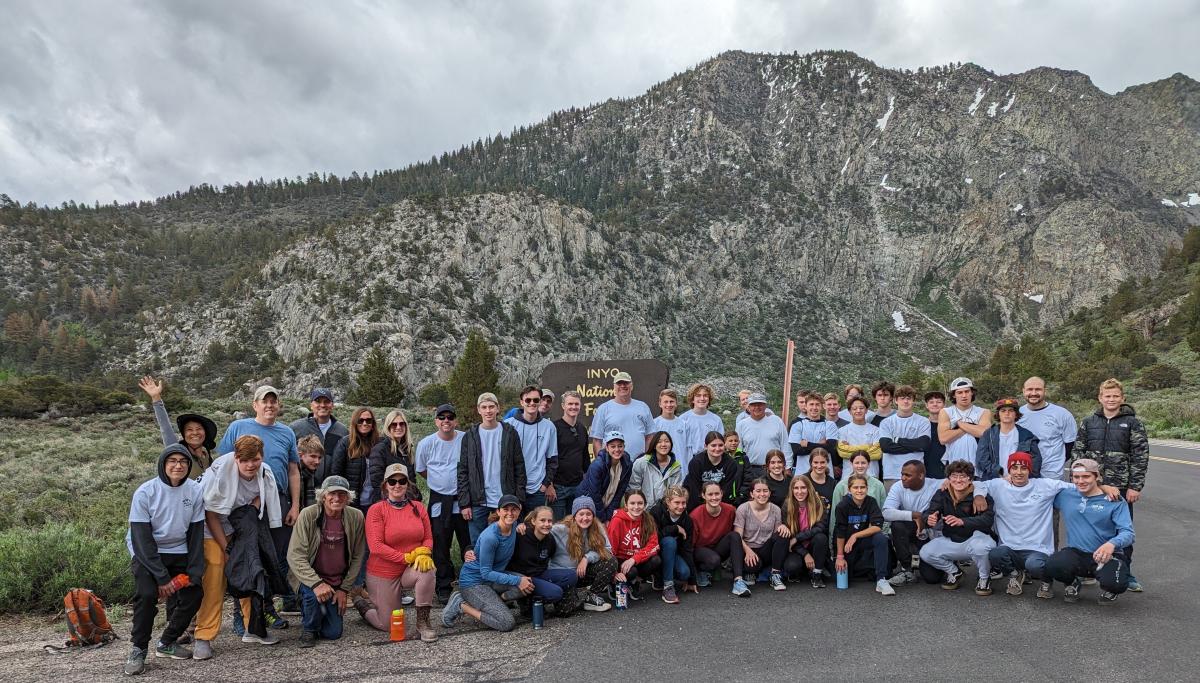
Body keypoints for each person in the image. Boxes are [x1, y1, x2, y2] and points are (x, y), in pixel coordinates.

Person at [216, 386, 297, 629]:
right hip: (243, 505)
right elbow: (224, 464)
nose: (270, 405)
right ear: (255, 405)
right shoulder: (237, 428)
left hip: (276, 501)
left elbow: (293, 471)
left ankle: (268, 610)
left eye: (274, 401)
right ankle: (243, 617)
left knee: (273, 557)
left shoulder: (287, 432)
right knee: (245, 558)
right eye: (265, 401)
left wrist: (295, 505)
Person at [123, 444, 205, 675]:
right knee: (147, 596)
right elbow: (141, 539)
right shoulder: (146, 492)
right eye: (172, 461)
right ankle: (138, 649)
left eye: (183, 461)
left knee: (195, 593)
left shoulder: (194, 490)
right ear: (163, 464)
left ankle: (167, 642)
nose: (178, 465)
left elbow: (196, 533)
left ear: (189, 465)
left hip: (179, 550)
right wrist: (161, 577)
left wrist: (195, 571)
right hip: (148, 552)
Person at [980, 451, 1105, 599]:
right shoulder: (997, 485)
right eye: (1014, 468)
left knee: (1035, 565)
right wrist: (978, 496)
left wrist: (1103, 488)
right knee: (995, 554)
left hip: (1037, 548)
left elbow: (1078, 486)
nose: (1019, 472)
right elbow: (973, 485)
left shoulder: (1045, 485)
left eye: (1024, 468)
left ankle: (1046, 581)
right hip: (1010, 547)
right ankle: (1016, 574)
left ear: (1030, 470)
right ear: (1009, 470)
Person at [204, 435, 285, 649]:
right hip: (212, 529)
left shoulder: (265, 472)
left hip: (240, 525)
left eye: (255, 459)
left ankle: (254, 629)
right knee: (215, 582)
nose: (251, 465)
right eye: (244, 460)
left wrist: (250, 512)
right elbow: (210, 514)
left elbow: (261, 499)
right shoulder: (220, 471)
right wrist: (227, 548)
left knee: (252, 573)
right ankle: (205, 636)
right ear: (236, 458)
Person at [1072, 378, 1148, 591]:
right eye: (1108, 396)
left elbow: (1140, 456)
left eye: (1116, 396)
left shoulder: (1133, 423)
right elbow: (1078, 452)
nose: (1111, 399)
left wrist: (1135, 486)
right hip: (1091, 486)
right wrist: (1081, 480)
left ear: (1122, 398)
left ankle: (1125, 571)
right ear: (1100, 398)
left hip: (1122, 487)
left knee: (1122, 530)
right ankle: (1084, 570)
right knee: (1087, 528)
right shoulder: (1089, 422)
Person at [287, 475, 367, 646]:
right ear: (323, 495)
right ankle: (309, 628)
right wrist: (316, 584)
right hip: (310, 578)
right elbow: (295, 555)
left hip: (336, 581)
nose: (336, 498)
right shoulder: (308, 515)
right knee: (312, 599)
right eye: (332, 493)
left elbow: (358, 557)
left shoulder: (356, 517)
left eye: (342, 494)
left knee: (333, 633)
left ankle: (318, 612)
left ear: (348, 497)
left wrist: (344, 589)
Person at [362, 463, 437, 640]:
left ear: (407, 484)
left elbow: (428, 537)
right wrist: (407, 557)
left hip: (408, 570)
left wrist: (425, 552)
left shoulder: (418, 507)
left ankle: (423, 623)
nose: (397, 485)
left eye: (402, 481)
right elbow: (376, 546)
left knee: (427, 570)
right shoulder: (376, 510)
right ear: (385, 485)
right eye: (392, 481)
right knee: (388, 625)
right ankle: (362, 606)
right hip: (384, 572)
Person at [1044, 458, 1135, 605]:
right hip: (1076, 552)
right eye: (1076, 477)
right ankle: (1073, 583)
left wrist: (1111, 544)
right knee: (1052, 565)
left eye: (1086, 476)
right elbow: (1036, 490)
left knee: (1116, 584)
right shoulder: (1066, 495)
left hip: (1106, 555)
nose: (1081, 481)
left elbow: (1128, 533)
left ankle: (1110, 589)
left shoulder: (1114, 500)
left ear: (1097, 476)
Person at [883, 460, 981, 587]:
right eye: (902, 474)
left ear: (921, 475)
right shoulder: (898, 487)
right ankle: (906, 570)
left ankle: (950, 564)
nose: (903, 478)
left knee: (932, 578)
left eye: (907, 475)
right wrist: (916, 515)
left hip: (933, 534)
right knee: (897, 525)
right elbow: (886, 512)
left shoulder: (937, 484)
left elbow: (976, 483)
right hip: (912, 529)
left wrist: (979, 496)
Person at [442, 495, 531, 632]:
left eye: (514, 509)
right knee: (506, 623)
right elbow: (486, 572)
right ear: (498, 511)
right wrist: (517, 579)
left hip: (493, 577)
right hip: (474, 583)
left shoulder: (514, 526)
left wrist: (522, 525)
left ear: (519, 511)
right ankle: (461, 605)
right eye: (505, 509)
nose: (510, 513)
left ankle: (492, 603)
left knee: (528, 585)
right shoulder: (491, 537)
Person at [415, 404, 468, 603]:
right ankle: (444, 585)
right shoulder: (427, 443)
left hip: (463, 499)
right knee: (440, 543)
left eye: (450, 417)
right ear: (436, 420)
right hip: (439, 499)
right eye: (442, 417)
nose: (446, 421)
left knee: (467, 541)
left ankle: (470, 582)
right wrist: (440, 481)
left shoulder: (465, 439)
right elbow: (421, 470)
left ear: (456, 420)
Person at [919, 460, 996, 595]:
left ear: (970, 479)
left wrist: (962, 521)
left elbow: (987, 519)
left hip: (976, 538)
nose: (958, 480)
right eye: (954, 476)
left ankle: (984, 578)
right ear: (948, 478)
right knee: (926, 552)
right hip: (952, 538)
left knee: (981, 548)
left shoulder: (981, 496)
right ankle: (955, 572)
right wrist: (929, 518)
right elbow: (929, 511)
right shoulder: (942, 493)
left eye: (963, 476)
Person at [458, 392, 526, 546]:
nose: (488, 411)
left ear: (498, 408)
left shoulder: (509, 433)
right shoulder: (470, 436)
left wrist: (519, 499)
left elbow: (519, 468)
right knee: (479, 543)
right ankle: (480, 570)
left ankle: (504, 570)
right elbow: (462, 471)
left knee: (506, 542)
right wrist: (464, 503)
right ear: (478, 410)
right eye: (484, 407)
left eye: (491, 407)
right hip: (478, 500)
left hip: (505, 498)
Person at [138, 375, 217, 478]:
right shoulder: (178, 451)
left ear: (205, 432)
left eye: (199, 429)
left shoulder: (206, 453)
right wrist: (156, 398)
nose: (195, 433)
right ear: (184, 434)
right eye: (189, 430)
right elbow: (165, 428)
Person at [549, 497, 618, 613]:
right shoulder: (560, 529)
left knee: (611, 561)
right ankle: (570, 594)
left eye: (588, 514)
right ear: (574, 516)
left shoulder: (597, 528)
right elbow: (541, 529)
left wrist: (587, 558)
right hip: (565, 575)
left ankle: (591, 597)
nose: (585, 518)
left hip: (582, 572)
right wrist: (523, 527)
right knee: (564, 611)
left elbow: (608, 550)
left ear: (593, 515)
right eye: (581, 514)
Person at [833, 473, 895, 595]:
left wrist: (855, 535)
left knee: (881, 538)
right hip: (846, 544)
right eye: (855, 487)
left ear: (867, 488)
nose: (859, 490)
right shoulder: (842, 506)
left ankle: (881, 580)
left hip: (861, 540)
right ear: (849, 489)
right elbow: (840, 532)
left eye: (862, 487)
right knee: (843, 579)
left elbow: (877, 526)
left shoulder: (871, 501)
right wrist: (839, 557)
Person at [508, 506, 578, 608]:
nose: (546, 524)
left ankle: (538, 595)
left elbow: (549, 557)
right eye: (542, 520)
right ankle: (526, 603)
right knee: (556, 593)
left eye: (549, 521)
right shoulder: (521, 535)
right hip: (523, 578)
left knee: (572, 575)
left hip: (540, 574)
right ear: (533, 521)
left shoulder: (550, 540)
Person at [505, 385, 559, 513]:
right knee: (514, 528)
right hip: (514, 488)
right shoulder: (508, 425)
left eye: (536, 400)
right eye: (528, 400)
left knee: (535, 530)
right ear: (521, 402)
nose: (532, 403)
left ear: (540, 401)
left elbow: (552, 459)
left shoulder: (549, 427)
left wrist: (545, 484)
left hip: (537, 489)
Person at [730, 479, 788, 596]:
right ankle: (752, 573)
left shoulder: (775, 509)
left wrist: (783, 527)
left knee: (783, 534)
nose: (762, 494)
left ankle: (775, 575)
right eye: (758, 491)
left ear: (769, 493)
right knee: (752, 567)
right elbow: (737, 536)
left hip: (766, 549)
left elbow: (777, 536)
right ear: (752, 494)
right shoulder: (743, 508)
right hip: (749, 550)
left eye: (765, 491)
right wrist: (748, 551)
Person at [1018, 376, 1077, 481]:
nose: (1034, 393)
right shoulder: (1017, 415)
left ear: (1045, 391)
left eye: (1038, 389)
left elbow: (1070, 445)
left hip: (1052, 476)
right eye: (1030, 389)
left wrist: (1056, 464)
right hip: (1024, 474)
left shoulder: (1062, 414)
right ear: (1023, 391)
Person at [607, 490, 661, 601]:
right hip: (620, 560)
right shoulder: (617, 521)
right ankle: (613, 584)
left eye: (640, 503)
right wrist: (614, 573)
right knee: (631, 571)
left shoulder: (648, 519)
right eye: (632, 503)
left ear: (645, 504)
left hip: (635, 559)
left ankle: (635, 581)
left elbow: (654, 545)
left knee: (656, 560)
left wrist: (634, 559)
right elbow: (609, 551)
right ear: (626, 505)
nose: (636, 507)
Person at [648, 486, 697, 603]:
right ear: (668, 502)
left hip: (673, 554)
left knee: (685, 573)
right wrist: (675, 528)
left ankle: (661, 577)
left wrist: (692, 580)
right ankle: (668, 586)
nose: (681, 506)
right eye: (677, 502)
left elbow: (687, 549)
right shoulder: (656, 512)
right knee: (669, 541)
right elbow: (654, 538)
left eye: (683, 503)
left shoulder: (687, 520)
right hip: (655, 552)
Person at [878, 385, 932, 489]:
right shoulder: (886, 423)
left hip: (916, 473)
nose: (906, 401)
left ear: (913, 401)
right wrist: (914, 446)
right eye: (902, 398)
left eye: (909, 398)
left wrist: (897, 440)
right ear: (895, 401)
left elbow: (923, 444)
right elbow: (886, 447)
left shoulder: (923, 421)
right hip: (892, 474)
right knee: (891, 505)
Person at [590, 371, 655, 458]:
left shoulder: (643, 407)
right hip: (613, 465)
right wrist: (601, 463)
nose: (623, 386)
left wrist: (647, 458)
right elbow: (597, 440)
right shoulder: (603, 409)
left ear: (631, 386)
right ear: (614, 386)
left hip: (639, 465)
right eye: (619, 383)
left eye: (626, 383)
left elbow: (650, 436)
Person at [975, 397, 1042, 481]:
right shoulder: (989, 434)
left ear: (1016, 414)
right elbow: (981, 460)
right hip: (994, 481)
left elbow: (1035, 462)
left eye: (1011, 410)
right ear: (998, 414)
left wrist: (1019, 477)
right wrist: (1000, 473)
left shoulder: (1027, 435)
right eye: (1003, 411)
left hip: (1020, 482)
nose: (1007, 413)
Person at [781, 475, 830, 588]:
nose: (799, 491)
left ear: (809, 488)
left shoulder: (818, 502)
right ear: (791, 490)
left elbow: (820, 527)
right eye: (796, 488)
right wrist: (805, 554)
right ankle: (804, 569)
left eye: (803, 488)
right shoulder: (787, 505)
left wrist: (797, 538)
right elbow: (789, 534)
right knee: (791, 567)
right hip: (796, 548)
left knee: (821, 537)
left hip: (813, 544)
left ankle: (817, 573)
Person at [330, 407, 382, 511]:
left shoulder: (380, 443)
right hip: (352, 504)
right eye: (360, 420)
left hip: (376, 502)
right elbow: (336, 474)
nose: (365, 423)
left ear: (373, 424)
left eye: (368, 420)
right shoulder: (345, 443)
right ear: (355, 422)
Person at [689, 481, 738, 588]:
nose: (714, 497)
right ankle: (701, 570)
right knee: (713, 560)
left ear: (722, 494)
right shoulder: (695, 515)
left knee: (735, 536)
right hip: (700, 549)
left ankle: (738, 579)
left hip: (718, 547)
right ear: (703, 495)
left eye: (717, 494)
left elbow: (736, 533)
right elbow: (690, 545)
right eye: (710, 494)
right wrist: (690, 578)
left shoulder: (730, 510)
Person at [578, 431, 634, 522]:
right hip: (587, 504)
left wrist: (609, 517)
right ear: (607, 448)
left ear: (624, 447)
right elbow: (594, 495)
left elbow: (619, 493)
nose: (617, 449)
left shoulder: (627, 465)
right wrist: (603, 519)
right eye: (613, 446)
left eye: (620, 446)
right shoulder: (597, 466)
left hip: (607, 505)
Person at [551, 390, 591, 520]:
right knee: (558, 526)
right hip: (558, 487)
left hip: (578, 486)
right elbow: (548, 458)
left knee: (575, 525)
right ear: (563, 406)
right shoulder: (554, 428)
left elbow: (585, 457)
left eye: (576, 404)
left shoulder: (582, 429)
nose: (573, 407)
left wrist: (587, 481)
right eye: (570, 404)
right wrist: (549, 484)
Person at [938, 377, 991, 469]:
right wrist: (972, 427)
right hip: (953, 462)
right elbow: (943, 438)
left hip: (978, 462)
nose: (964, 395)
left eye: (967, 391)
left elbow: (984, 433)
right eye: (959, 392)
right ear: (954, 395)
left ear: (972, 393)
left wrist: (960, 424)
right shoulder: (946, 412)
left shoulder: (984, 412)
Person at [289, 388, 348, 468]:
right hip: (303, 479)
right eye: (318, 401)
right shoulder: (295, 428)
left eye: (326, 401)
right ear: (311, 405)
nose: (323, 405)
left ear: (332, 405)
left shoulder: (343, 431)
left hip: (333, 479)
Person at [683, 431, 744, 510]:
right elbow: (694, 489)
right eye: (713, 445)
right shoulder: (696, 462)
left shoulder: (730, 463)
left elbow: (726, 490)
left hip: (720, 501)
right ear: (706, 446)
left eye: (720, 445)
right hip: (697, 502)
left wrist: (715, 504)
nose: (717, 449)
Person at [738, 393, 789, 480]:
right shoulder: (741, 425)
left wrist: (788, 467)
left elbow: (785, 445)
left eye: (760, 404)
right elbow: (739, 449)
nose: (757, 407)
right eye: (753, 405)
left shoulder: (777, 421)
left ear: (765, 406)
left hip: (774, 469)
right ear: (748, 407)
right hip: (750, 470)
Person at [788, 392, 839, 476]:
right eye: (811, 404)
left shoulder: (830, 425)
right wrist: (822, 445)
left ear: (822, 406)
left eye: (817, 404)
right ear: (806, 406)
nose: (814, 407)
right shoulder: (797, 425)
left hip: (825, 475)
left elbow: (831, 447)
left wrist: (807, 444)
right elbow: (797, 450)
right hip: (803, 473)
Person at [629, 431, 684, 508]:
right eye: (659, 442)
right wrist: (641, 505)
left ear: (671, 445)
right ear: (654, 445)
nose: (663, 444)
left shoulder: (676, 467)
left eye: (667, 441)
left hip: (666, 511)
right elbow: (634, 487)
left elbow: (676, 492)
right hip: (644, 510)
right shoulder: (642, 463)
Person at [364, 409, 405, 508]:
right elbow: (377, 483)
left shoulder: (405, 449)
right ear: (388, 427)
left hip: (403, 501)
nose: (398, 427)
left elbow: (411, 479)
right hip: (386, 504)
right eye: (394, 424)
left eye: (401, 424)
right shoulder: (380, 449)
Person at [837, 397, 881, 479]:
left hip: (871, 476)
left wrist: (850, 448)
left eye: (861, 408)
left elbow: (877, 453)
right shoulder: (842, 431)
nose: (858, 411)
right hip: (849, 476)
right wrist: (868, 446)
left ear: (867, 410)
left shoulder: (876, 430)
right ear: (850, 411)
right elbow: (843, 452)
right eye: (854, 408)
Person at [679, 383, 723, 462]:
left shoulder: (716, 420)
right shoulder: (683, 419)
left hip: (710, 460)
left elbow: (720, 443)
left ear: (709, 399)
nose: (702, 398)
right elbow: (679, 443)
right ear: (692, 399)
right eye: (698, 395)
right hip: (688, 460)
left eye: (705, 395)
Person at [652, 389, 693, 470]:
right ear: (660, 404)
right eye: (666, 402)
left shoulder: (684, 425)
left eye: (671, 401)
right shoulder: (654, 424)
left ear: (676, 404)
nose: (669, 404)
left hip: (681, 470)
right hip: (660, 470)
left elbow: (689, 451)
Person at [298, 435, 330, 509]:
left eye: (319, 457)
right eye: (313, 456)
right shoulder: (293, 474)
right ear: (300, 456)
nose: (317, 461)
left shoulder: (311, 474)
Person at [806, 448, 838, 517]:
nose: (819, 466)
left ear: (827, 462)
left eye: (822, 462)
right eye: (816, 462)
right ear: (811, 463)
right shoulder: (803, 480)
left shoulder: (833, 483)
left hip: (826, 525)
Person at [923, 391, 947, 478]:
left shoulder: (951, 425)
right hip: (925, 469)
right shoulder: (921, 425)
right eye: (931, 402)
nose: (935, 404)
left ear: (944, 404)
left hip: (946, 470)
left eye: (939, 402)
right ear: (926, 405)